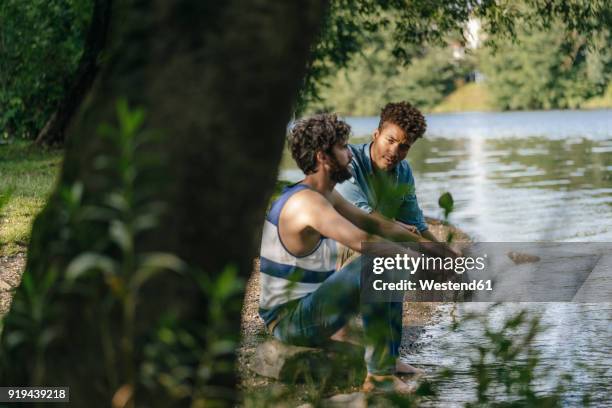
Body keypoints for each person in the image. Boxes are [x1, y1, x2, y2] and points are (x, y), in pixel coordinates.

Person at [258, 114, 442, 394]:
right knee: (382, 261)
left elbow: (375, 223)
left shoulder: (324, 194)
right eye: (343, 148)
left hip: (308, 307)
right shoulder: (308, 204)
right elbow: (364, 240)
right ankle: (379, 376)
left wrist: (434, 250)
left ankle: (388, 360)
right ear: (323, 156)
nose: (350, 154)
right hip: (289, 321)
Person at [336, 101, 442, 243]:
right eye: (390, 140)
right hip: (341, 241)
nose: (394, 152)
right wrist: (398, 227)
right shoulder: (347, 160)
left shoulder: (404, 171)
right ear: (376, 134)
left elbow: (416, 224)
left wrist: (443, 250)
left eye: (404, 147)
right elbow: (362, 216)